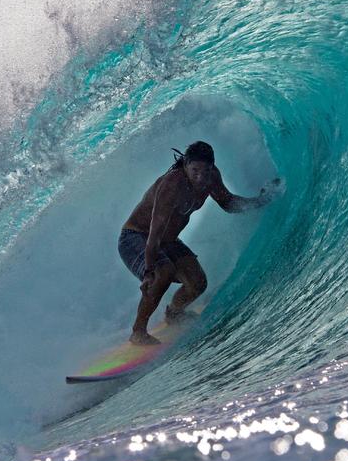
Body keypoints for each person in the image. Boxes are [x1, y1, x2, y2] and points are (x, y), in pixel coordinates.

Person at [118, 141, 279, 345]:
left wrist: (257, 201)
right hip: (137, 237)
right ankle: (138, 332)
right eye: (195, 170)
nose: (201, 177)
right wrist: (149, 272)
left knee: (197, 283)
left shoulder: (211, 178)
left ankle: (174, 314)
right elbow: (154, 234)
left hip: (167, 241)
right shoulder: (171, 186)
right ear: (185, 165)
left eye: (206, 170)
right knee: (163, 271)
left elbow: (227, 203)